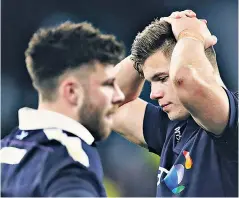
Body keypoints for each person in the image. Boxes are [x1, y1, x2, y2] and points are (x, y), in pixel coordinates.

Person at [113, 10, 238, 197]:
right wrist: (142, 53)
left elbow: (186, 79)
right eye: (150, 81)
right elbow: (109, 102)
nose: (154, 94)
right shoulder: (172, 127)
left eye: (162, 78)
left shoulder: (231, 119)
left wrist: (190, 32)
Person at [1, 21, 125, 196]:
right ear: (72, 92)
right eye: (108, 84)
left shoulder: (7, 147)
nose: (119, 96)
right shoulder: (69, 158)